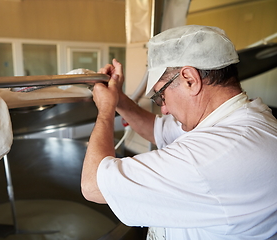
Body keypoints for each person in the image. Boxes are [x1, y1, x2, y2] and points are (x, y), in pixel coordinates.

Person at [81, 25, 277, 239]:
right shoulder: (239, 119)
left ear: (190, 80)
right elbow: (157, 129)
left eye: (160, 95)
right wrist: (118, 99)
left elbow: (93, 185)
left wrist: (105, 109)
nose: (163, 108)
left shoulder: (216, 154)